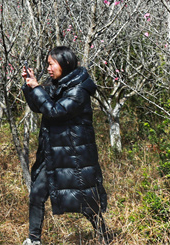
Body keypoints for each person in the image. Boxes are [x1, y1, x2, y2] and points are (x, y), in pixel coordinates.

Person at [20, 46, 110, 245]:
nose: (49, 68)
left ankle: (104, 236)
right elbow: (39, 107)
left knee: (86, 201)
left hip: (74, 154)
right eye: (48, 64)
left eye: (51, 64)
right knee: (36, 194)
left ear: (65, 64)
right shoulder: (58, 84)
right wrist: (29, 86)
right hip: (54, 154)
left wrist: (37, 88)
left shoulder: (79, 89)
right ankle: (33, 240)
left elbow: (54, 111)